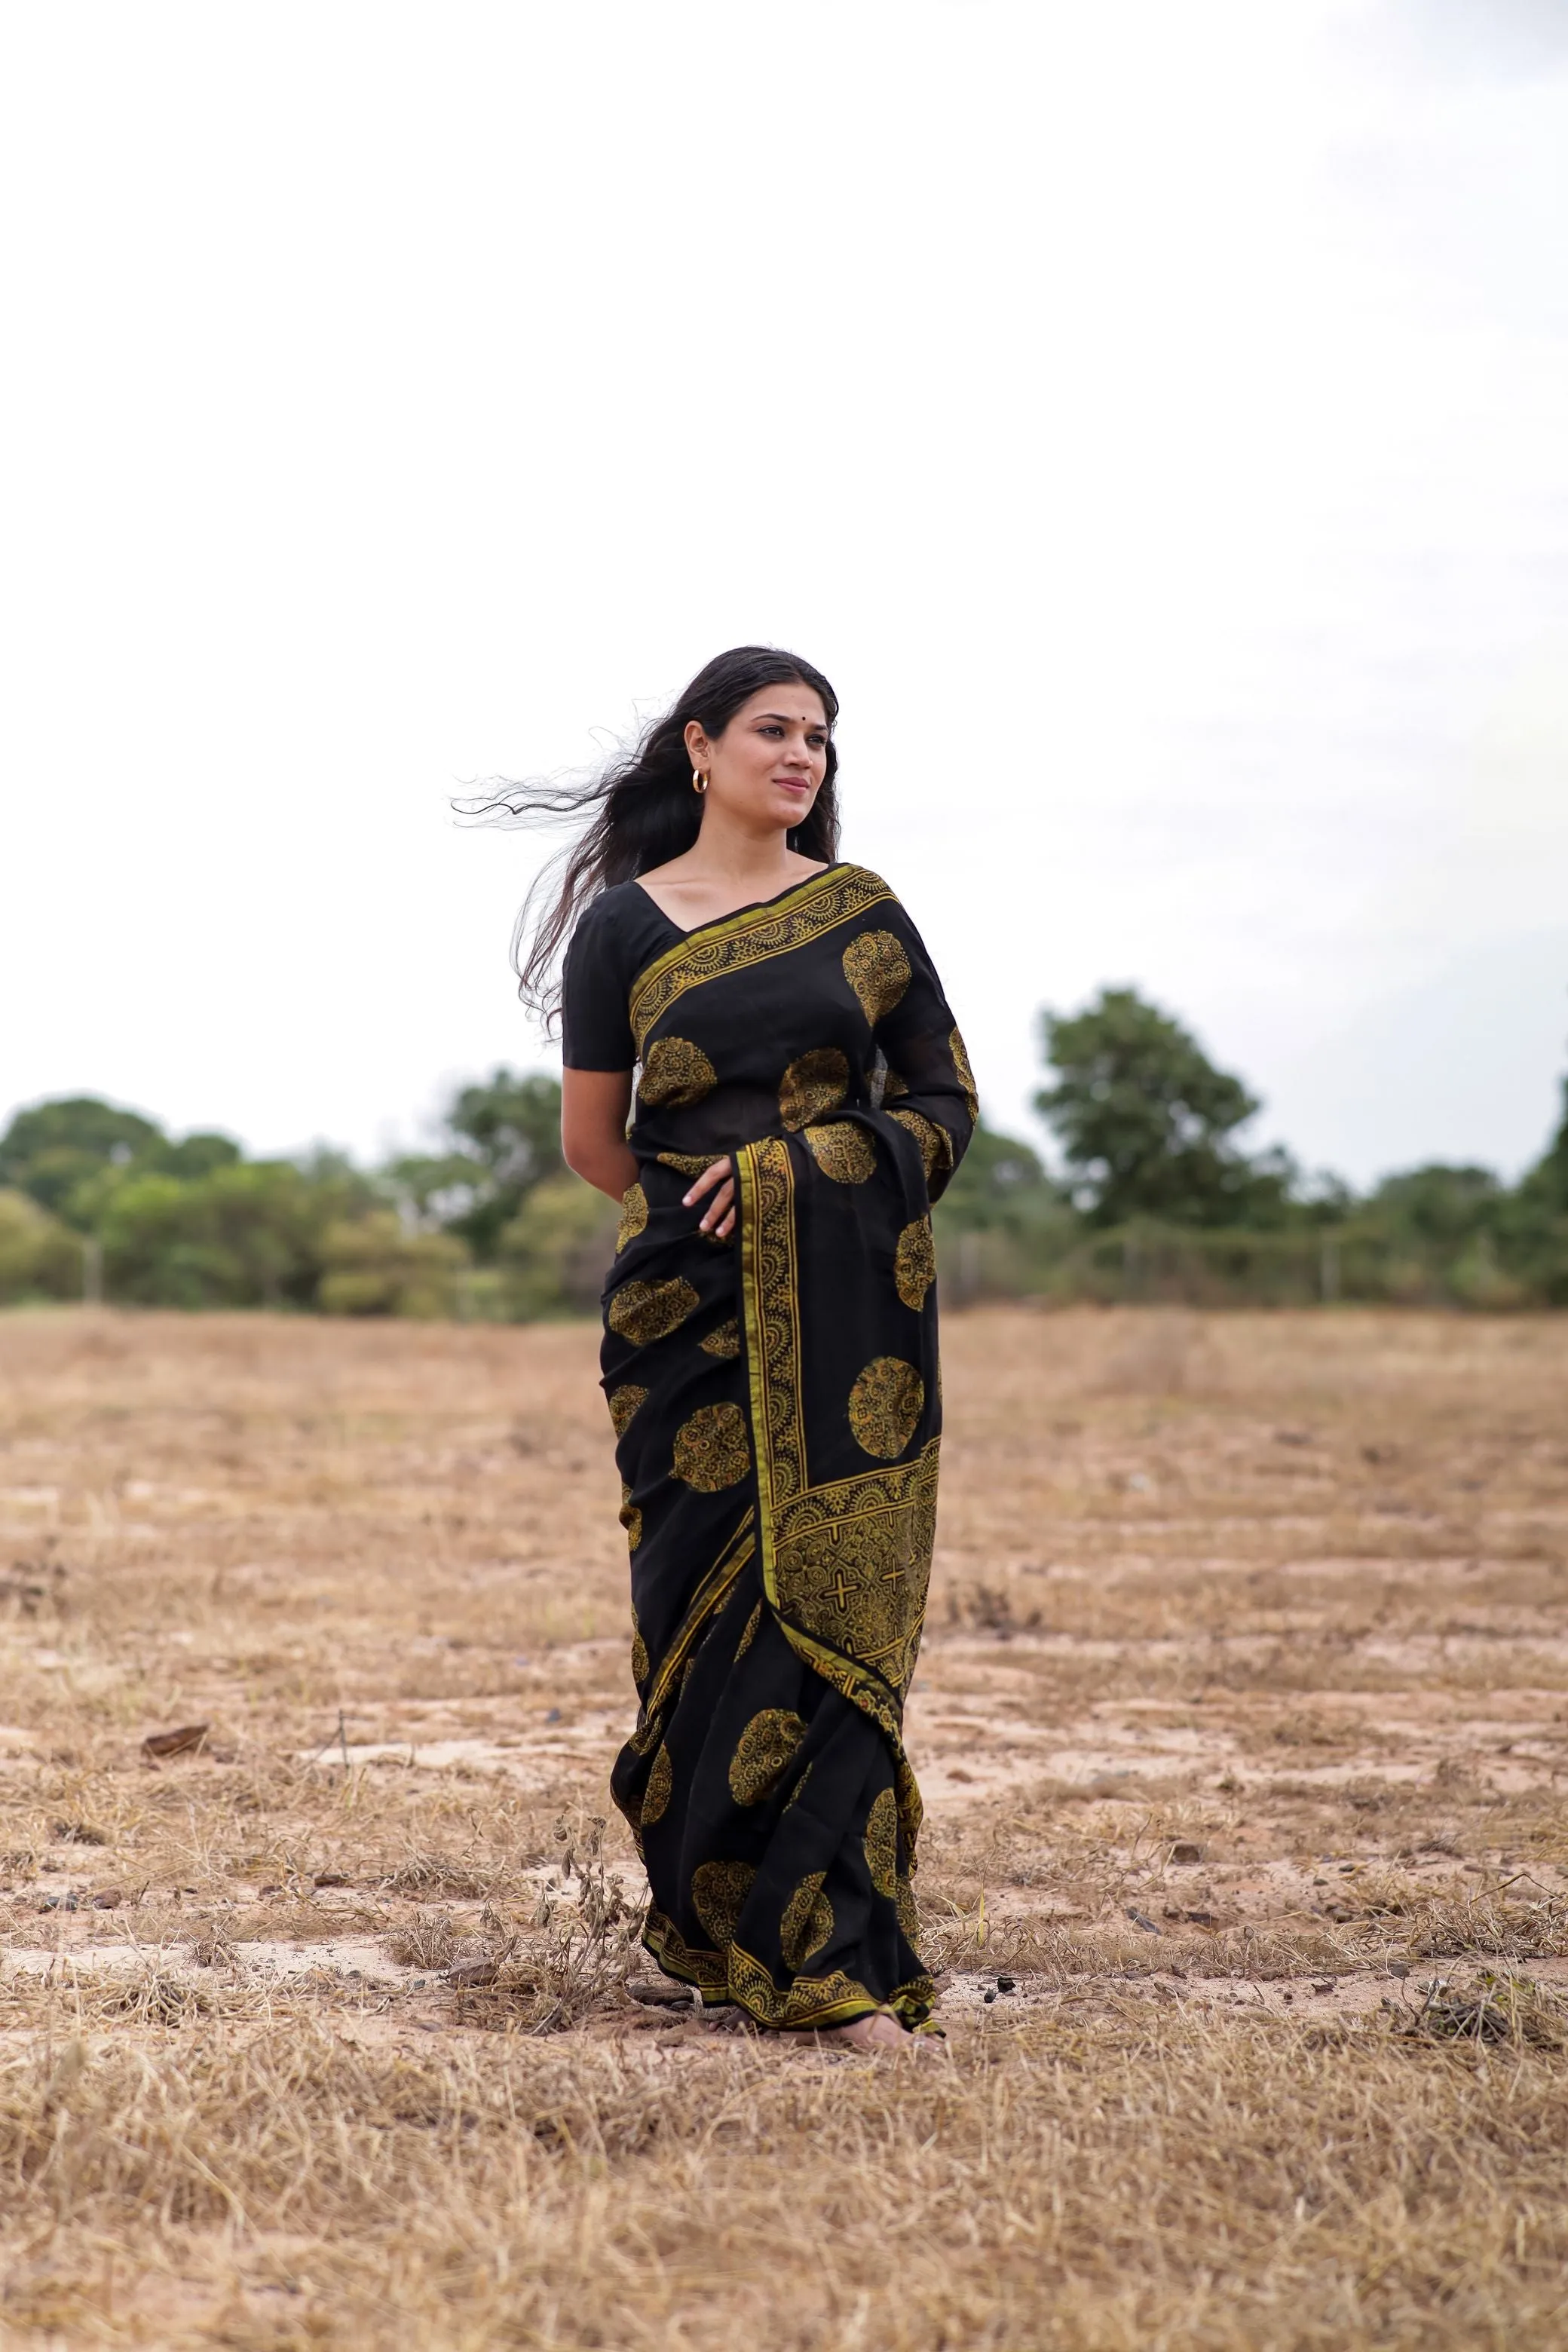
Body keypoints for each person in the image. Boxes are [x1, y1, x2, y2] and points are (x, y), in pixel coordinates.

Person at [501, 646, 975, 2048]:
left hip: (848, 1316)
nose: (804, 756)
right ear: (699, 750)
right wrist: (717, 1226)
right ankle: (720, 1930)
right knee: (695, 1616)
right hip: (684, 1324)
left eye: (821, 739)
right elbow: (598, 1146)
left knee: (823, 1613)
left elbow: (945, 1100)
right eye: (775, 730)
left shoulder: (862, 918)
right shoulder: (624, 932)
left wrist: (795, 1183)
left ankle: (830, 1959)